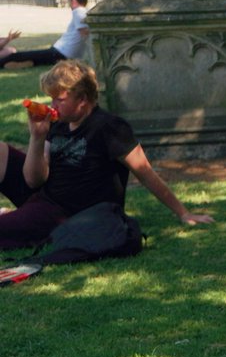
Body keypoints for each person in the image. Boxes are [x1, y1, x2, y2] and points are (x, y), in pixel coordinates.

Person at [0, 60, 212, 250]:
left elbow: (145, 172)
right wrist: (37, 138)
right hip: (44, 196)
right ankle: (20, 217)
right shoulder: (58, 124)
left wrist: (183, 213)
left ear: (82, 99)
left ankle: (18, 220)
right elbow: (33, 180)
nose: (52, 105)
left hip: (71, 214)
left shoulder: (109, 127)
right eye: (51, 99)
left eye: (59, 99)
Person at [0, 0, 90, 70]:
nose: (69, 3)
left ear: (74, 1)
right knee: (37, 58)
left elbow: (84, 32)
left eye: (69, 1)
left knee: (16, 56)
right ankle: (27, 63)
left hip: (61, 53)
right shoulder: (84, 12)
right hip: (61, 53)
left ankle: (11, 63)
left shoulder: (78, 11)